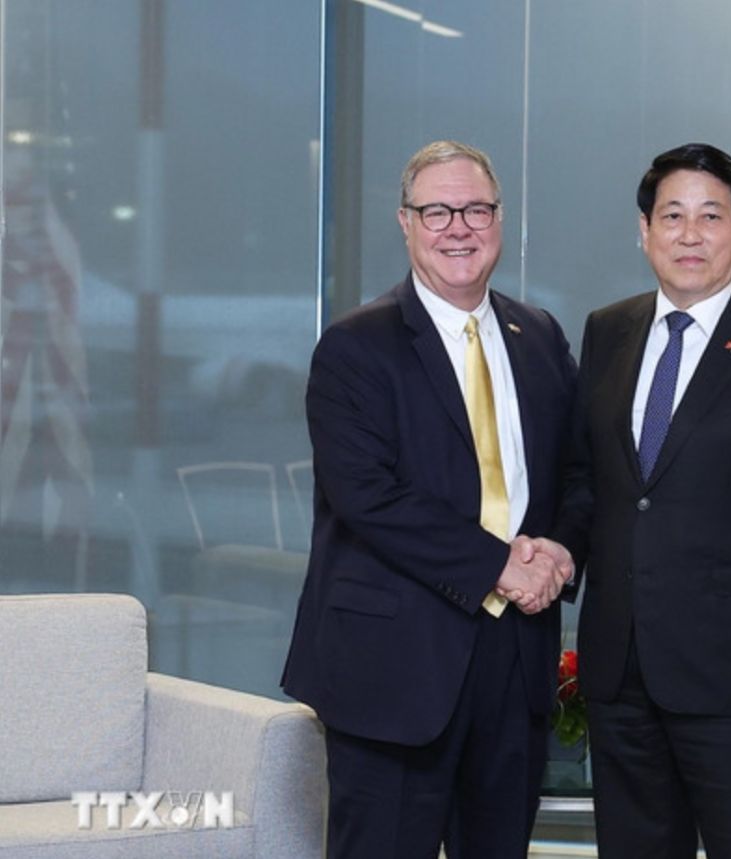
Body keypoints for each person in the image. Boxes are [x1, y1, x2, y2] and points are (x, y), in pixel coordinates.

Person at [282, 140, 576, 859]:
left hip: (515, 662)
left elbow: (577, 468)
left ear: (499, 220)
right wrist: (500, 565)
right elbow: (368, 497)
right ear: (405, 222)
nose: (458, 228)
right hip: (393, 667)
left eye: (476, 210)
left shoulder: (537, 335)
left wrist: (561, 549)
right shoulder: (355, 346)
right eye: (437, 211)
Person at [553, 142, 731, 859]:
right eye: (672, 215)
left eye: (711, 216)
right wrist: (554, 555)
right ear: (644, 230)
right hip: (620, 668)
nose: (690, 234)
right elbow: (591, 479)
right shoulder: (607, 331)